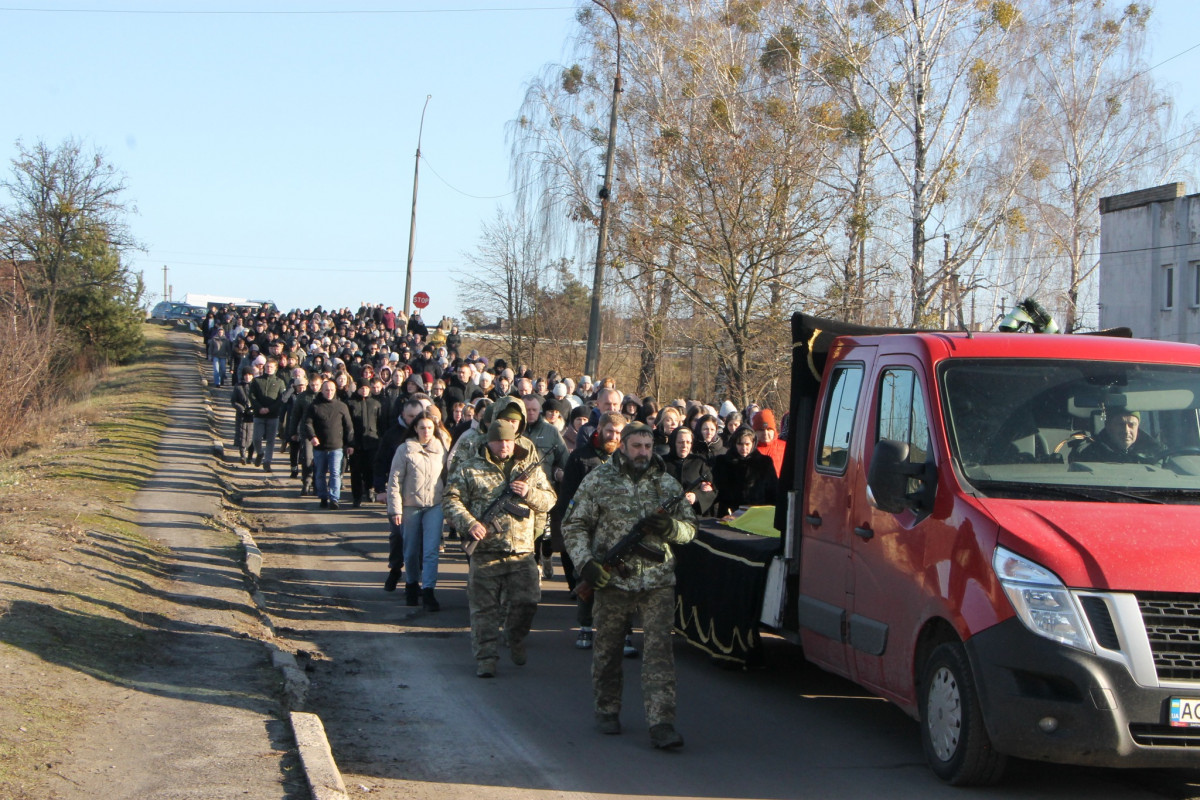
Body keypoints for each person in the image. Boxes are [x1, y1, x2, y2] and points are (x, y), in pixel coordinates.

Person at [561, 422, 696, 750]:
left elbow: (691, 528)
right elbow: (573, 524)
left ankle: (661, 722)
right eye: (636, 446)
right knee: (607, 649)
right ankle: (607, 707)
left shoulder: (666, 485)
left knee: (659, 652)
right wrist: (586, 564)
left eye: (648, 447)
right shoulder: (599, 480)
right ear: (622, 446)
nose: (643, 453)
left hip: (657, 580)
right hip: (613, 581)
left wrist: (671, 528)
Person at [442, 413, 556, 678]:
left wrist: (528, 493)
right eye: (499, 441)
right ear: (489, 442)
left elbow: (550, 499)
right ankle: (486, 659)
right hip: (485, 552)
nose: (505, 445)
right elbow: (451, 500)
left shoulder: (528, 468)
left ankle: (515, 637)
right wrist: (470, 523)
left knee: (528, 601)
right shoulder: (469, 467)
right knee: (483, 610)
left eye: (509, 441)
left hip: (522, 550)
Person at [556, 411, 626, 651]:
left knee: (622, 581)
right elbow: (567, 497)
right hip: (588, 527)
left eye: (618, 433)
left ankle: (623, 633)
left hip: (618, 530)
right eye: (610, 431)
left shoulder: (626, 458)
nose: (614, 437)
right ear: (600, 430)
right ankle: (585, 627)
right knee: (587, 575)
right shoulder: (579, 458)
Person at [386, 411, 449, 609]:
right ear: (415, 428)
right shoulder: (404, 450)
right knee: (411, 550)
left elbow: (448, 477)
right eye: (422, 427)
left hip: (434, 505)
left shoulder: (440, 449)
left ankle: (429, 590)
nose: (426, 431)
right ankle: (412, 585)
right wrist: (395, 510)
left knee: (431, 551)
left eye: (430, 428)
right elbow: (395, 481)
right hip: (410, 506)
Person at [303, 379, 355, 510]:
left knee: (335, 473)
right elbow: (307, 423)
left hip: (337, 446)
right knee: (320, 473)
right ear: (322, 390)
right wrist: (312, 437)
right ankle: (323, 496)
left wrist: (350, 444)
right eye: (326, 390)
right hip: (319, 447)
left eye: (332, 390)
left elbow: (349, 427)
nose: (329, 392)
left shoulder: (342, 406)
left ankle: (334, 498)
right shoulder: (314, 406)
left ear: (335, 390)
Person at [713, 426, 779, 517]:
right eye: (740, 444)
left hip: (757, 515)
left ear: (753, 443)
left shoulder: (764, 463)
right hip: (729, 515)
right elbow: (716, 489)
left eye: (747, 444)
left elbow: (773, 491)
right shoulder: (723, 462)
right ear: (734, 443)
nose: (744, 448)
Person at [1074, 407, 1163, 464]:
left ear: (1138, 426)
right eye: (1120, 424)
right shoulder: (1089, 455)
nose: (1126, 431)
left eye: (1131, 425)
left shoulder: (1157, 454)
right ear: (1108, 426)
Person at [663, 426, 716, 516]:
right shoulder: (662, 462)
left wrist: (696, 496)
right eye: (680, 442)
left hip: (694, 514)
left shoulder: (699, 462)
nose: (684, 446)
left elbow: (712, 490)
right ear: (673, 443)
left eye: (688, 442)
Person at [248, 358, 288, 471]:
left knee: (271, 440)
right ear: (264, 367)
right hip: (258, 414)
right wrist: (259, 408)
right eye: (267, 367)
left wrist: (270, 409)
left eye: (271, 367)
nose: (269, 369)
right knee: (256, 438)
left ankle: (267, 462)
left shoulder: (280, 382)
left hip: (273, 415)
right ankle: (260, 453)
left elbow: (281, 398)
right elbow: (252, 396)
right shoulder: (257, 381)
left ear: (275, 368)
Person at [753, 409, 786, 476]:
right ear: (755, 432)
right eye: (761, 430)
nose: (765, 433)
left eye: (769, 429)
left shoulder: (785, 447)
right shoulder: (750, 449)